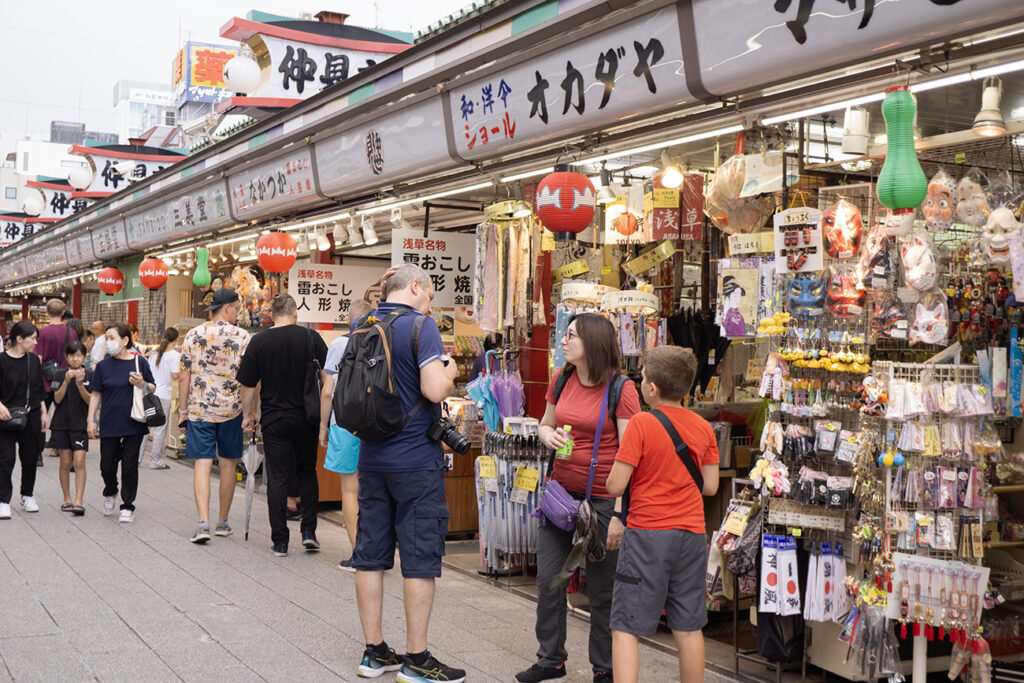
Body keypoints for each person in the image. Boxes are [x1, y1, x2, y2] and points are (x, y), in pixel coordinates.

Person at [344, 264, 465, 683]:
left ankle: (374, 652)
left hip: (372, 459)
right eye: (429, 294)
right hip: (415, 461)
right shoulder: (421, 326)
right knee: (419, 560)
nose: (430, 304)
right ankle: (417, 660)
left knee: (370, 556)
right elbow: (434, 389)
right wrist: (449, 372)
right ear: (415, 286)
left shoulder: (362, 323)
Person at [516, 313, 641, 683]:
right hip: (561, 497)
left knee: (602, 589)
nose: (564, 341)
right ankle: (550, 659)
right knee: (549, 580)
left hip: (603, 500)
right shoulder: (562, 377)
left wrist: (619, 513)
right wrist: (545, 436)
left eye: (571, 336)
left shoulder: (622, 389)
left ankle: (604, 667)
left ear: (593, 343)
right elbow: (545, 422)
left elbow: (631, 456)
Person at [604, 347, 720, 683]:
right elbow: (710, 486)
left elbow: (616, 485)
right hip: (692, 533)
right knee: (688, 625)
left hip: (648, 535)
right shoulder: (702, 426)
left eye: (642, 378)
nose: (640, 383)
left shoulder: (641, 423)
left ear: (652, 388)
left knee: (626, 625)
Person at [239, 294, 327, 556]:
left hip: (274, 418)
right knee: (306, 472)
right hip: (307, 417)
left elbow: (247, 385)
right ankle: (309, 531)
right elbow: (328, 376)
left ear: (271, 316)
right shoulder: (311, 338)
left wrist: (249, 414)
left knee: (276, 478)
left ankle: (280, 541)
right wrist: (325, 417)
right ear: (295, 313)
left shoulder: (260, 341)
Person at [178, 291, 251, 544]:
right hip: (232, 410)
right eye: (237, 308)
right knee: (228, 463)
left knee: (202, 463)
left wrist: (183, 409)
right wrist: (250, 412)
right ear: (228, 308)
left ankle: (202, 524)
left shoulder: (193, 335)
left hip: (199, 410)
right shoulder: (242, 336)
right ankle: (222, 522)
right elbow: (249, 379)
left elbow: (184, 376)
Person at [318, 299, 376, 571]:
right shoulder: (382, 341)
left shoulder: (339, 344)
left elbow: (327, 391)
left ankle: (359, 554)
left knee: (350, 490)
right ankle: (377, 551)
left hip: (344, 422)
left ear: (350, 318)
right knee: (373, 490)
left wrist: (322, 427)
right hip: (377, 424)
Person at [86, 323, 155, 523]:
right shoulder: (103, 366)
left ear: (125, 341)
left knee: (130, 466)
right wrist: (91, 420)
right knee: (107, 464)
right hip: (109, 422)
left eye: (111, 338)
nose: (108, 342)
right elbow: (96, 394)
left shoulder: (139, 362)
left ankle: (127, 505)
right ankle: (110, 490)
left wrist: (142, 384)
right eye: (106, 338)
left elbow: (153, 387)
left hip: (134, 421)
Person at [0, 321, 48, 518]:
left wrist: (44, 412)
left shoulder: (33, 360)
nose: (36, 342)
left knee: (30, 457)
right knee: (5, 459)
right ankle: (3, 500)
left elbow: (38, 389)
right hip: (5, 415)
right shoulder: (1, 360)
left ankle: (27, 494)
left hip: (31, 414)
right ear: (19, 339)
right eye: (33, 339)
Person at [51, 341, 93, 515]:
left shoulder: (90, 374)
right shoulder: (59, 374)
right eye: (71, 355)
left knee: (79, 461)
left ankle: (78, 501)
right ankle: (67, 498)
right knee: (65, 462)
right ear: (66, 357)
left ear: (85, 357)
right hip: (61, 423)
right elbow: (57, 399)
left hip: (80, 424)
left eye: (79, 355)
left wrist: (80, 385)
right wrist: (67, 381)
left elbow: (91, 401)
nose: (75, 359)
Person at [36, 299, 77, 465]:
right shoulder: (71, 333)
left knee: (41, 416)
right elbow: (75, 357)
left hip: (45, 380)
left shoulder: (42, 333)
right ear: (63, 312)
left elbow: (38, 358)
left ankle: (38, 453)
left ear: (47, 312)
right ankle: (64, 450)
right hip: (65, 379)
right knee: (66, 415)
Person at [145, 328, 180, 471]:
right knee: (160, 428)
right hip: (164, 394)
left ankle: (137, 458)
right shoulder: (174, 355)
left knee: (144, 426)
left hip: (150, 392)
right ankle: (155, 460)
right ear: (176, 339)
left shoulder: (155, 353)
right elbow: (175, 375)